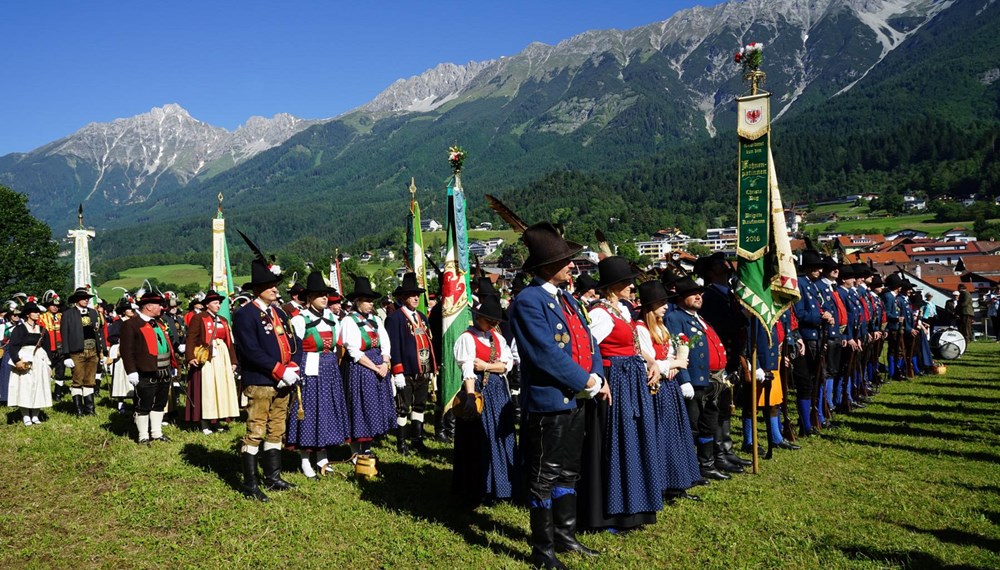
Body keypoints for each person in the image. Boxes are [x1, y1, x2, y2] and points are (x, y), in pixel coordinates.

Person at [511, 222, 607, 569]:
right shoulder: (528, 301)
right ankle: (542, 550)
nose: (572, 266)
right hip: (550, 402)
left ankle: (566, 537)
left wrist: (597, 374)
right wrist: (588, 381)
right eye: (566, 260)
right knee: (543, 476)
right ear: (547, 266)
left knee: (568, 471)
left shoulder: (567, 298)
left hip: (577, 397)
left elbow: (587, 340)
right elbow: (544, 354)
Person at [578, 256, 663, 532]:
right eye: (627, 283)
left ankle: (633, 505)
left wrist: (651, 363)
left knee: (633, 440)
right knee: (615, 441)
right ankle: (610, 512)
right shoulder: (601, 313)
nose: (631, 287)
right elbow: (589, 348)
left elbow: (634, 346)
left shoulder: (623, 310)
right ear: (613, 287)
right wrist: (599, 379)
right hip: (615, 383)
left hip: (632, 381)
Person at [232, 251, 302, 502]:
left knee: (276, 430)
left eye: (275, 285)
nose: (275, 289)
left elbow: (295, 341)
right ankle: (250, 483)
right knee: (256, 431)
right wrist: (279, 369)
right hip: (261, 382)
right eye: (271, 286)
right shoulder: (244, 314)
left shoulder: (279, 312)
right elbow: (250, 351)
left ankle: (272, 477)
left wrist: (293, 365)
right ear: (259, 288)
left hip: (284, 382)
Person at [634, 280, 702, 501]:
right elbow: (646, 363)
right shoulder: (640, 329)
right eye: (661, 302)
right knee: (659, 436)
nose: (666, 306)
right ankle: (660, 485)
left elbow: (669, 354)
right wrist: (671, 365)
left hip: (668, 388)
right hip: (654, 391)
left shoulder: (662, 327)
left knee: (675, 436)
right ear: (650, 305)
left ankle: (677, 482)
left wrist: (674, 361)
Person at [666, 275, 736, 480]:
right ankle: (689, 469)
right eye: (692, 294)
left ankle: (707, 464)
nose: (698, 296)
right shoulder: (675, 318)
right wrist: (684, 379)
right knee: (692, 427)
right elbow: (678, 350)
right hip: (694, 381)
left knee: (709, 423)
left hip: (712, 380)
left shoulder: (699, 318)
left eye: (699, 293)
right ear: (680, 297)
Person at [451, 294, 518, 505]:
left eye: (496, 320)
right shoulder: (467, 338)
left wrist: (488, 366)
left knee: (500, 437)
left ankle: (503, 487)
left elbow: (507, 364)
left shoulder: (498, 338)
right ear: (478, 317)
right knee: (479, 440)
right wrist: (471, 397)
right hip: (479, 390)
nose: (493, 323)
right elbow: (468, 369)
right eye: (490, 320)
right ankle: (479, 488)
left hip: (499, 391)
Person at [287, 272, 350, 479]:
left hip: (330, 369)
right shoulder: (299, 320)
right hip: (310, 370)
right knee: (310, 413)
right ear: (309, 298)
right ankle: (305, 460)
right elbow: (295, 349)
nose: (325, 298)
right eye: (319, 295)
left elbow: (336, 347)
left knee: (327, 412)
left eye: (326, 294)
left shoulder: (333, 318)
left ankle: (323, 457)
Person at [340, 275, 394, 460]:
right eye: (367, 300)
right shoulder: (349, 321)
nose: (371, 303)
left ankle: (368, 447)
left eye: (372, 300)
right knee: (358, 408)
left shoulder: (376, 320)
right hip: (361, 369)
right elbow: (353, 351)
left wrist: (385, 363)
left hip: (379, 366)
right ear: (357, 301)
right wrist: (375, 367)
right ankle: (355, 452)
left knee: (373, 408)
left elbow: (385, 342)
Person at [385, 272, 437, 455]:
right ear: (402, 297)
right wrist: (397, 370)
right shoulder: (395, 318)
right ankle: (401, 442)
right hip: (405, 371)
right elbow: (394, 346)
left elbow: (429, 342)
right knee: (402, 408)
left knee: (419, 406)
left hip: (422, 369)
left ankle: (417, 439)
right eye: (411, 295)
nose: (416, 298)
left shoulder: (422, 317)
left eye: (417, 294)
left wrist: (431, 366)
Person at [120, 292, 177, 445]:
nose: (162, 308)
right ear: (149, 306)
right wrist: (131, 371)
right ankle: (143, 435)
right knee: (144, 404)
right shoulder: (131, 324)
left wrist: (172, 364)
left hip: (164, 369)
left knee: (160, 402)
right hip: (145, 370)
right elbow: (127, 350)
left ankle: (157, 433)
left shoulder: (158, 322)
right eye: (159, 305)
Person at [185, 290, 240, 434]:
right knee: (208, 388)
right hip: (207, 357)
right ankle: (204, 422)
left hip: (222, 357)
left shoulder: (223, 320)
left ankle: (218, 419)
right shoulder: (199, 318)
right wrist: (190, 356)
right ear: (207, 304)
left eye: (219, 302)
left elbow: (229, 342)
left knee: (220, 389)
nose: (218, 305)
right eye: (215, 303)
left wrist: (233, 361)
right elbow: (191, 338)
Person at [7, 302, 54, 425]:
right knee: (25, 387)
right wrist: (17, 360)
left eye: (39, 312)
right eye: (35, 312)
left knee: (39, 385)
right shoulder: (19, 329)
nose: (38, 314)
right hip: (25, 359)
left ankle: (35, 415)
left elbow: (48, 347)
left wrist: (49, 363)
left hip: (40, 360)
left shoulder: (43, 330)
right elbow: (13, 346)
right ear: (28, 314)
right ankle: (26, 415)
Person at [61, 287, 105, 416]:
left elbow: (98, 332)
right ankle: (79, 409)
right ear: (76, 300)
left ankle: (90, 409)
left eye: (87, 298)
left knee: (90, 380)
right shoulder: (68, 314)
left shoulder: (93, 313)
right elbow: (65, 335)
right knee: (77, 380)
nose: (86, 300)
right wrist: (66, 355)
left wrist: (101, 350)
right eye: (83, 298)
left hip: (92, 351)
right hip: (77, 351)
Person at [108, 300, 136, 414]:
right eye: (129, 309)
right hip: (122, 354)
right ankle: (121, 403)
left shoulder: (136, 322)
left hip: (135, 353)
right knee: (120, 379)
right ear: (124, 311)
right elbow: (112, 337)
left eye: (132, 309)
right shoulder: (118, 323)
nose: (131, 311)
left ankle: (136, 402)